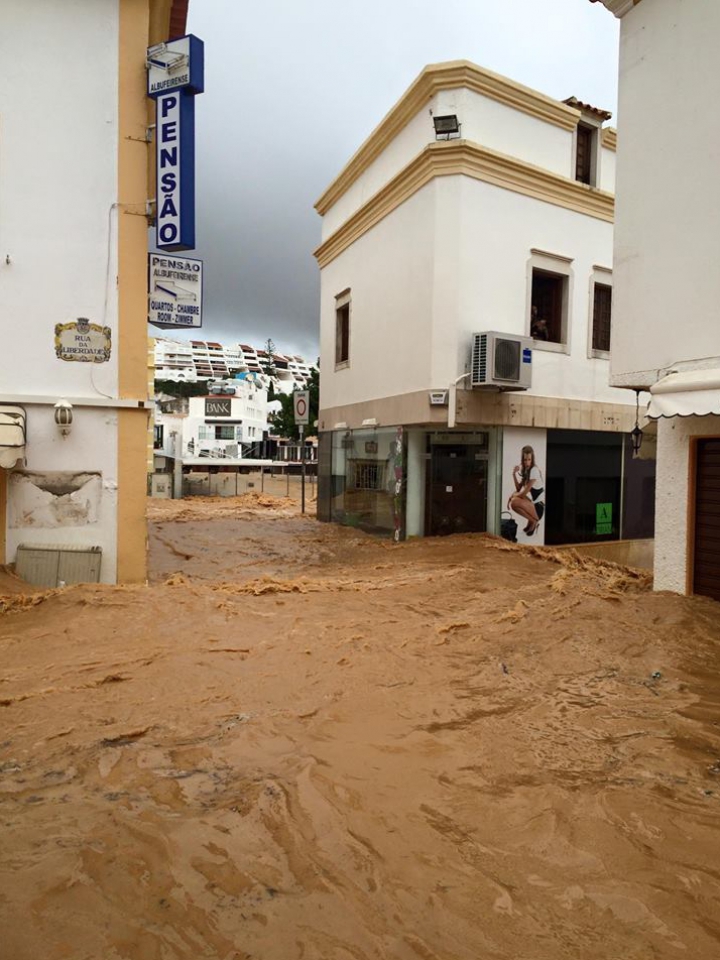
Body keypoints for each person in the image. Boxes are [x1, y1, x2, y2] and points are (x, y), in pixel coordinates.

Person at [508, 445, 545, 536]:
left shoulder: (534, 470)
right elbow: (518, 489)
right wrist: (514, 474)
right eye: (525, 460)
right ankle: (531, 520)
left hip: (539, 507)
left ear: (532, 459)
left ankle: (534, 521)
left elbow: (524, 493)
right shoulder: (526, 470)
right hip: (533, 504)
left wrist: (511, 497)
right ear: (522, 460)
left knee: (514, 502)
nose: (527, 462)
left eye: (529, 459)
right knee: (514, 497)